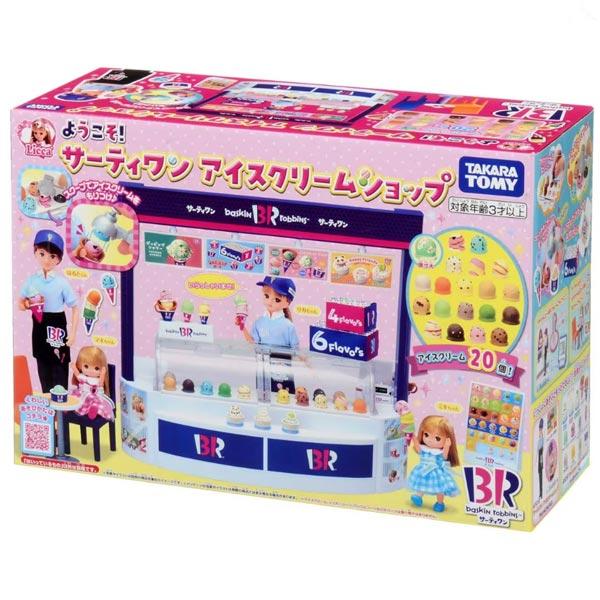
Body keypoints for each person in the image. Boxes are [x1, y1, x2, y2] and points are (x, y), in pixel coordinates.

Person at [18, 230, 79, 392]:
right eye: (42, 254)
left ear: (58, 259)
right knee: (43, 368)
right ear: (35, 252)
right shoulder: (32, 281)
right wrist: (27, 305)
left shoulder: (62, 282)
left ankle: (61, 403)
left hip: (57, 325)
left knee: (60, 368)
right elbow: (20, 303)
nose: (47, 260)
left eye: (52, 256)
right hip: (39, 325)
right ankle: (47, 404)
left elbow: (75, 307)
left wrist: (73, 333)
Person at [408, 415, 460, 512]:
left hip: (436, 472)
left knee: (439, 488)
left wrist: (447, 446)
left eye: (437, 438)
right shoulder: (424, 448)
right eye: (426, 435)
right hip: (423, 469)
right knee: (421, 483)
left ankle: (440, 503)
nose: (430, 440)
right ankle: (418, 497)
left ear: (447, 439)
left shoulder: (439, 452)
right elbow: (418, 450)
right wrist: (414, 438)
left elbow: (444, 457)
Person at [240, 276, 299, 349]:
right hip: (263, 356)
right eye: (266, 296)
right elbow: (253, 343)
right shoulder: (259, 322)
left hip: (281, 356)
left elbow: (295, 348)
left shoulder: (288, 326)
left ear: (287, 303)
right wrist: (242, 327)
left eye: (277, 300)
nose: (269, 302)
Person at [71, 346, 115, 420]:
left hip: (94, 396)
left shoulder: (97, 381)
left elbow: (100, 385)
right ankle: (71, 408)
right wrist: (74, 367)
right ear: (80, 365)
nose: (91, 371)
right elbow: (77, 375)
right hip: (82, 394)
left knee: (95, 403)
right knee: (74, 398)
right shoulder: (83, 377)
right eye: (86, 366)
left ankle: (93, 411)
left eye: (96, 368)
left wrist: (102, 374)